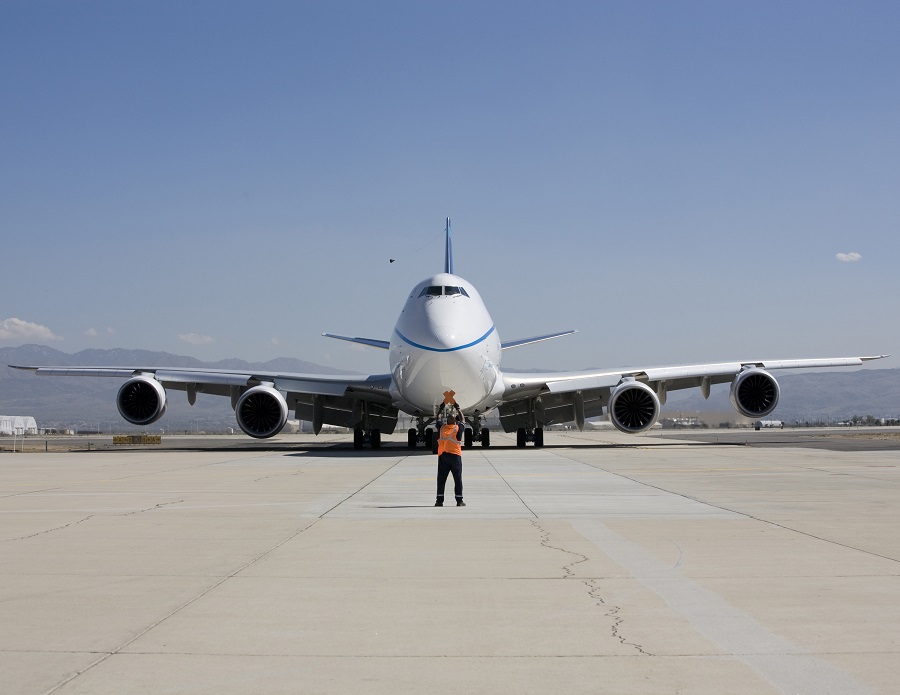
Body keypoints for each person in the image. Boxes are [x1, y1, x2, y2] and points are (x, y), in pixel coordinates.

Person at [435, 413, 465, 507]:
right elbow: (463, 420)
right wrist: (459, 409)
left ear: (446, 421)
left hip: (443, 456)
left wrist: (439, 410)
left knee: (441, 479)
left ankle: (439, 501)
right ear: (455, 422)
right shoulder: (457, 428)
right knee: (457, 479)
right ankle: (459, 501)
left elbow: (438, 420)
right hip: (455, 457)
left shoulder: (442, 428)